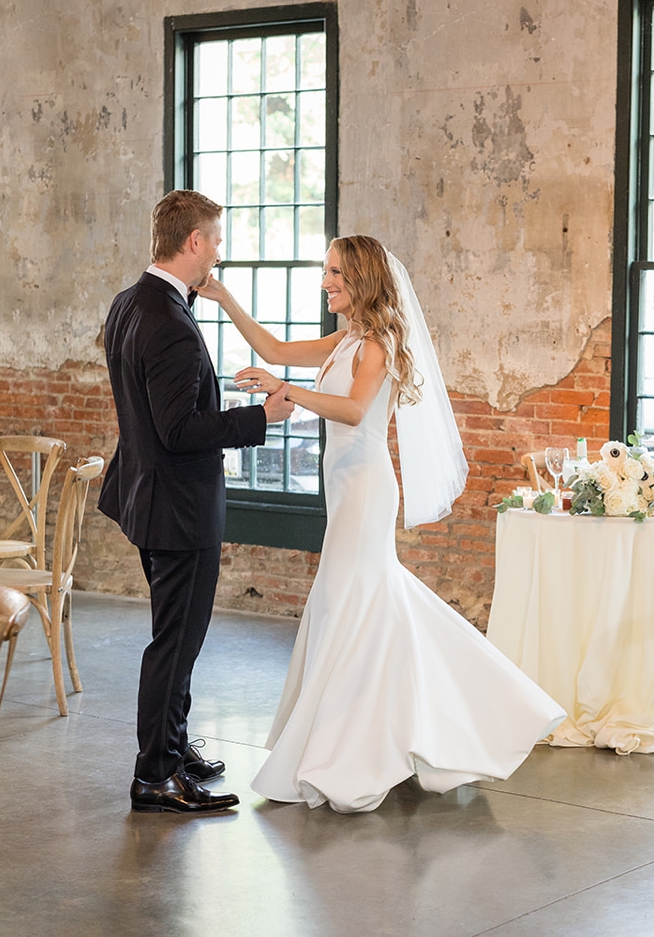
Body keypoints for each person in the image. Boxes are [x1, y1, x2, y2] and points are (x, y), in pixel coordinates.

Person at [194, 235, 565, 813]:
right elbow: (273, 346)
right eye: (325, 272)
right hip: (344, 486)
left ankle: (355, 746)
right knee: (367, 600)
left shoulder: (381, 343)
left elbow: (354, 411)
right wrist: (224, 297)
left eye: (335, 273)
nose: (326, 283)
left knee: (347, 599)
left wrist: (285, 390)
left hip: (366, 488)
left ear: (362, 277)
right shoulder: (348, 339)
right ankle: (387, 728)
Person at [99, 190, 293, 814]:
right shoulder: (170, 324)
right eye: (215, 239)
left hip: (147, 498)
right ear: (193, 243)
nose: (219, 251)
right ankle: (153, 775)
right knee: (175, 643)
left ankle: (173, 747)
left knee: (175, 636)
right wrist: (259, 418)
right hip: (178, 509)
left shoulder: (131, 303)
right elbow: (180, 431)